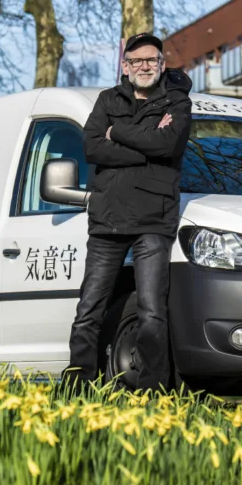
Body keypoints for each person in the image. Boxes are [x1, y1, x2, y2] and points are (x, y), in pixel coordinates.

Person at [63, 32, 192, 392]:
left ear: (162, 64)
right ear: (125, 66)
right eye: (136, 61)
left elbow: (168, 144)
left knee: (152, 310)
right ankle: (77, 384)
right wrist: (146, 145)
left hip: (154, 220)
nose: (144, 66)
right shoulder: (107, 98)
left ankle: (153, 389)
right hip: (107, 220)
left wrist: (117, 132)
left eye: (151, 60)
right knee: (89, 308)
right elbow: (91, 147)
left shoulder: (176, 103)